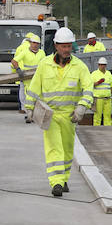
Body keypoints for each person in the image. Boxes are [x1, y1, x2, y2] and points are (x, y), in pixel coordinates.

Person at [24, 27, 93, 197]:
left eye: (69, 46)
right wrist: (29, 108)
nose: (66, 49)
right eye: (63, 46)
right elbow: (34, 88)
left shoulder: (79, 66)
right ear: (56, 45)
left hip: (70, 115)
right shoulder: (44, 65)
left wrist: (82, 107)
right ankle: (56, 182)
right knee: (54, 148)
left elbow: (88, 88)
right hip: (50, 115)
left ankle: (64, 179)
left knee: (68, 149)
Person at [11, 32, 45, 117]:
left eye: (37, 43)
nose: (35, 45)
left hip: (37, 78)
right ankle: (29, 113)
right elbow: (14, 61)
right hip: (26, 78)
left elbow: (45, 64)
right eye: (34, 43)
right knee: (27, 96)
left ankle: (34, 113)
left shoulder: (42, 53)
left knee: (38, 96)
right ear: (30, 43)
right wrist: (18, 70)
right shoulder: (25, 52)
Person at [91, 57, 112, 126]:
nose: (102, 66)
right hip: (98, 99)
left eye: (104, 65)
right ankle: (96, 130)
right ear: (98, 65)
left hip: (108, 99)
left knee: (108, 116)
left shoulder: (108, 73)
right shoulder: (94, 74)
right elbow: (89, 85)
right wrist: (98, 83)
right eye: (101, 64)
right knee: (97, 116)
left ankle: (108, 129)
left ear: (106, 65)